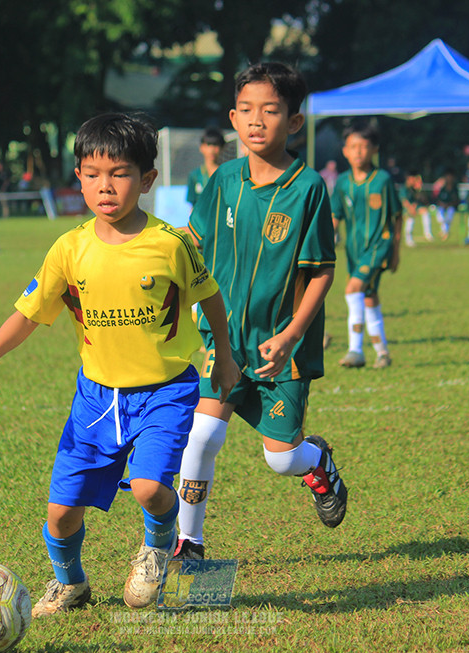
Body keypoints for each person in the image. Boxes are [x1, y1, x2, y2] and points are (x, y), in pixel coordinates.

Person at [0, 112, 240, 615]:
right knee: (60, 512)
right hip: (97, 397)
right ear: (80, 178)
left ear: (147, 179)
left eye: (120, 173)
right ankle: (70, 584)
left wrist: (225, 356)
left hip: (166, 391)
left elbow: (210, 296)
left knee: (150, 488)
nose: (104, 186)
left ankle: (156, 548)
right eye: (91, 173)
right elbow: (29, 313)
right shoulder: (70, 248)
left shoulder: (171, 243)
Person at [174, 62, 346, 561]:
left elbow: (321, 273)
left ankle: (318, 463)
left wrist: (292, 334)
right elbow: (193, 240)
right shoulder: (223, 178)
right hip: (223, 338)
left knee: (281, 459)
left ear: (294, 121)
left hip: (279, 348)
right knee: (202, 435)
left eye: (270, 110)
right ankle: (190, 544)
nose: (256, 120)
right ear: (232, 116)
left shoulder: (308, 187)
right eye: (246, 110)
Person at [330, 125, 402, 369]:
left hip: (379, 245)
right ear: (345, 151)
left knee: (353, 290)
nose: (358, 151)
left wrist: (396, 251)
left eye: (363, 146)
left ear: (374, 149)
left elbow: (397, 215)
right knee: (369, 297)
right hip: (354, 249)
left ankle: (355, 350)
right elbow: (334, 215)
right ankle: (383, 352)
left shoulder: (382, 180)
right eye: (353, 147)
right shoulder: (342, 183)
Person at [186, 127, 226, 209]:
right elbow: (192, 205)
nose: (212, 150)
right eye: (208, 145)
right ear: (201, 147)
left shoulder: (227, 174)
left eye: (215, 145)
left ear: (222, 147)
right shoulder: (195, 175)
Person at [402, 170, 432, 247]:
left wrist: (419, 190)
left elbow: (418, 201)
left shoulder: (413, 189)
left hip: (413, 208)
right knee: (410, 216)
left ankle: (427, 234)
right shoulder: (404, 188)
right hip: (404, 209)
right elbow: (404, 202)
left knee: (425, 211)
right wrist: (411, 208)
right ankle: (408, 239)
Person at [433, 168, 461, 241]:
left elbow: (457, 200)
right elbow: (438, 199)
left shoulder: (455, 189)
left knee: (450, 212)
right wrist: (442, 204)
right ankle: (445, 231)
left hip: (451, 207)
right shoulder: (443, 188)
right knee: (440, 213)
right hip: (442, 207)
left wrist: (448, 204)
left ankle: (444, 231)